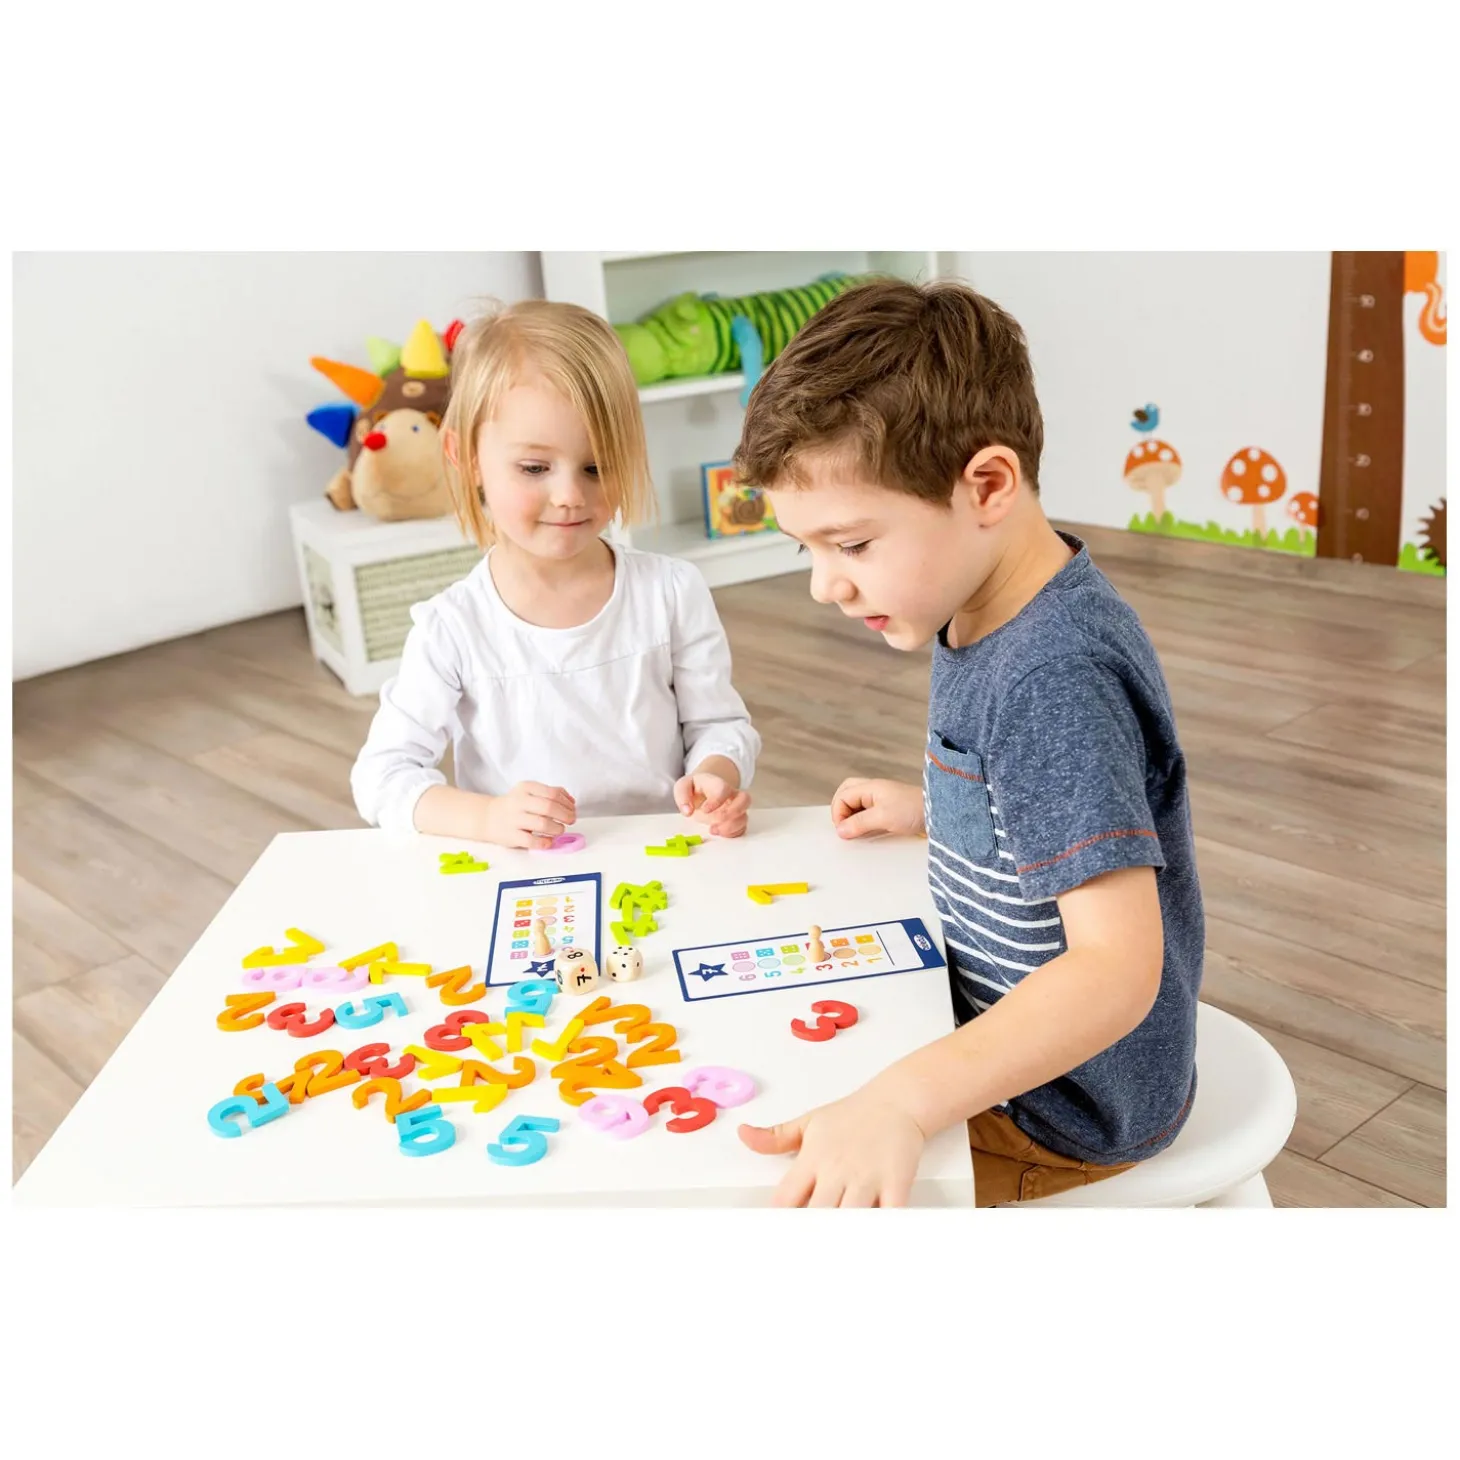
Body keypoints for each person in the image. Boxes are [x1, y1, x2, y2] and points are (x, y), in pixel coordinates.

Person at [731, 278, 1204, 1206]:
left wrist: (902, 1104)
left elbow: (1114, 972)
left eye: (851, 545)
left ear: (986, 485)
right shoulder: (982, 599)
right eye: (806, 549)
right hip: (1007, 1043)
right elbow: (1046, 796)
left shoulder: (1054, 676)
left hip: (1064, 1111)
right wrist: (943, 809)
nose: (825, 586)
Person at [352, 299, 759, 847]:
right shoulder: (451, 627)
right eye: (534, 467)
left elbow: (719, 725)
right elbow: (381, 776)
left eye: (596, 466)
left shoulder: (671, 591)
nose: (569, 495)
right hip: (527, 875)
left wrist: (714, 776)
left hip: (662, 860)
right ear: (465, 455)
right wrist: (486, 819)